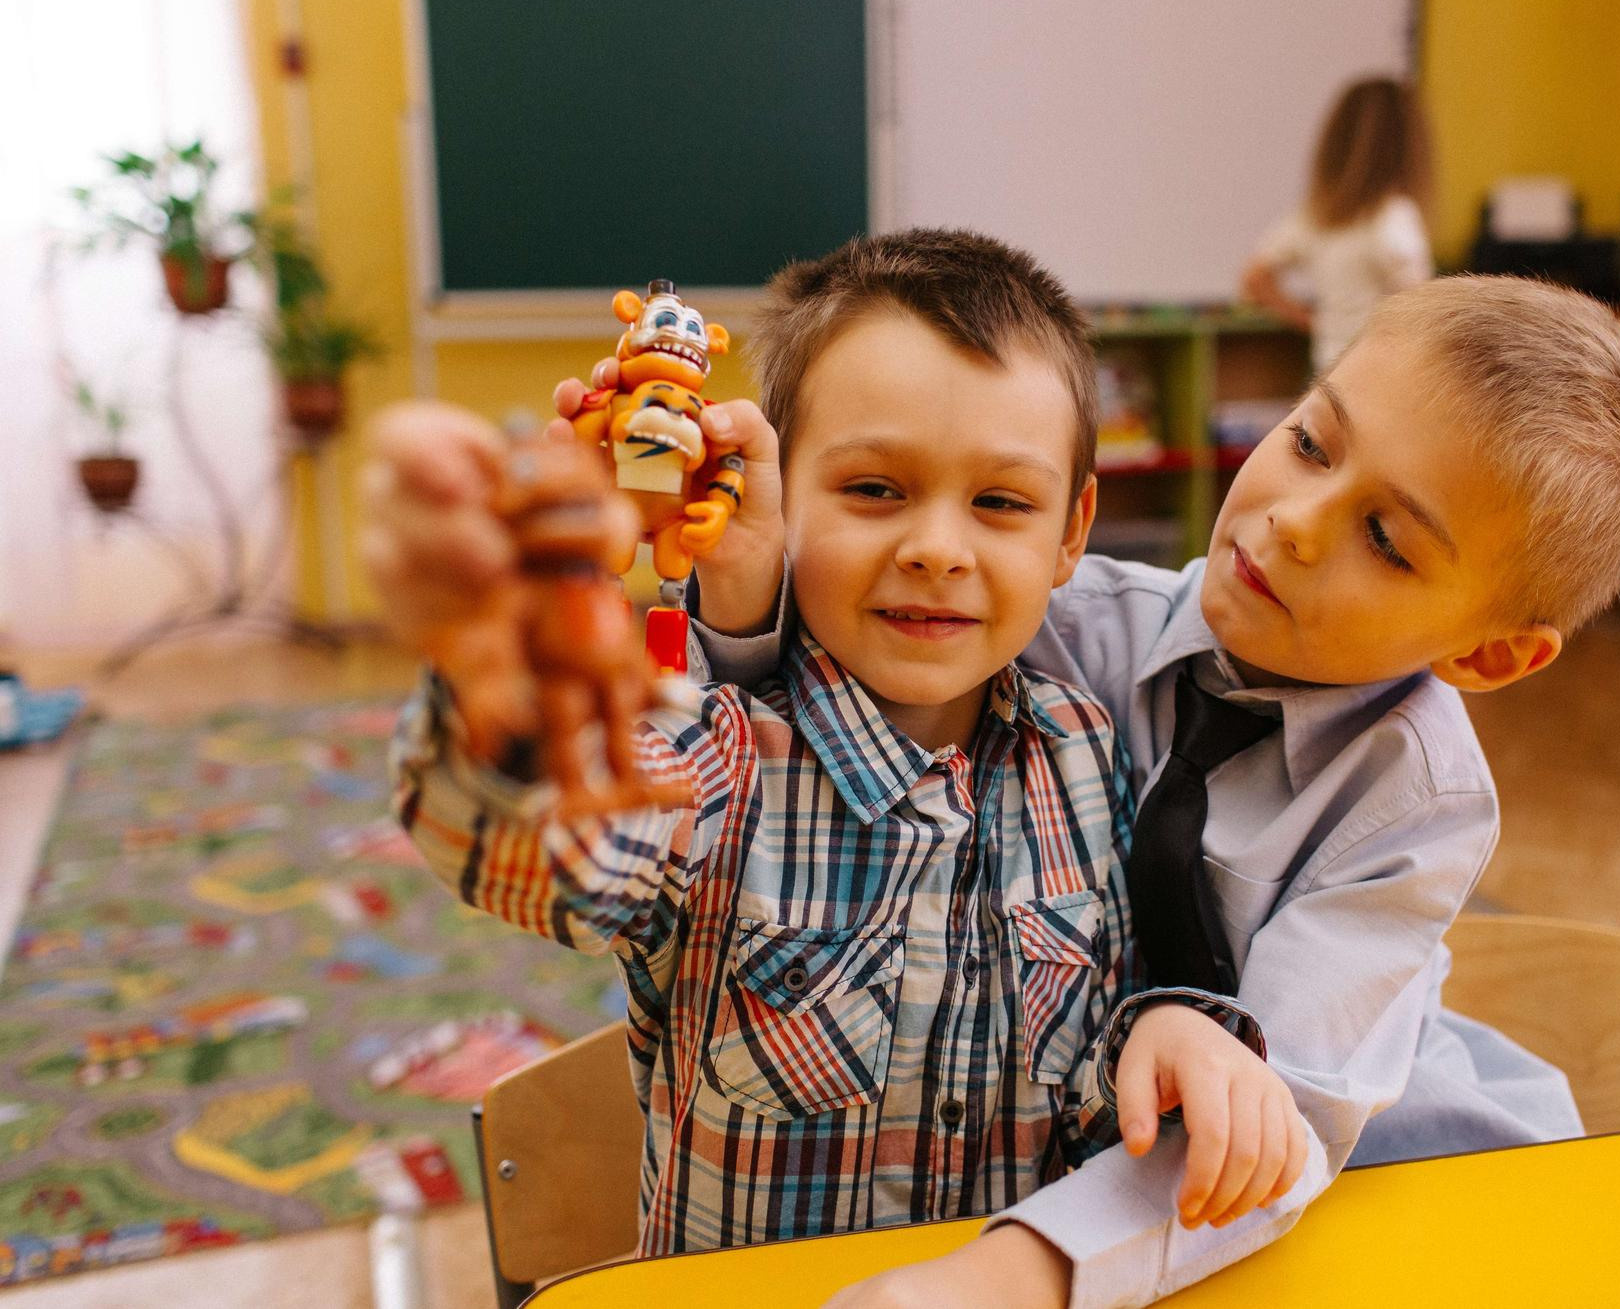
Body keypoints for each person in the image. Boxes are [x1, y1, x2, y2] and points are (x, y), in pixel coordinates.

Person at [694, 274, 1620, 1308]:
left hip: (1376, 1195)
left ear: (1487, 655)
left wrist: (1005, 1279)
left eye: (1386, 540)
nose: (1296, 520)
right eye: (1309, 441)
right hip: (1091, 1178)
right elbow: (811, 712)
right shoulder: (1075, 622)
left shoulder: (1416, 800)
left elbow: (1275, 1125)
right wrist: (738, 583)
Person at [363, 229, 1314, 1299]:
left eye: (1000, 503)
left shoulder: (1084, 753)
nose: (938, 548)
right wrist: (504, 648)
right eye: (873, 489)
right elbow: (529, 844)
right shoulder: (720, 756)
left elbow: (1096, 1047)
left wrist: (1171, 1026)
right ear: (770, 494)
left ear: (1070, 531)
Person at [1239, 76, 1434, 375]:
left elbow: (1254, 279)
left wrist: (1310, 321)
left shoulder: (1315, 217)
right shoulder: (1395, 217)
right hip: (1379, 375)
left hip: (1328, 370)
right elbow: (1421, 309)